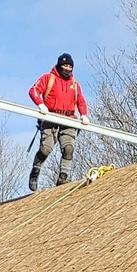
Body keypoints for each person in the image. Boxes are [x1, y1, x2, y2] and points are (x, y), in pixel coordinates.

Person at [28, 53, 89, 190]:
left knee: (68, 148)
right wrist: (40, 104)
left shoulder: (75, 84)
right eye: (65, 65)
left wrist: (84, 114)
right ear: (59, 65)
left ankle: (63, 177)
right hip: (51, 117)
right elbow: (34, 90)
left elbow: (81, 100)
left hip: (68, 120)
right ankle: (35, 170)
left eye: (70, 66)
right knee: (46, 148)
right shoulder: (48, 78)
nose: (67, 68)